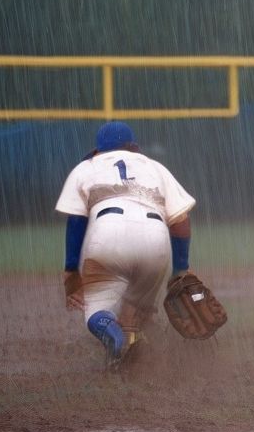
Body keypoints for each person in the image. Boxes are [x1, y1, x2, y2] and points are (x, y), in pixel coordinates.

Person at [55, 121, 197, 370]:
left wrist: (71, 269)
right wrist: (180, 270)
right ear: (134, 148)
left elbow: (77, 219)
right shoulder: (155, 168)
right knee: (139, 305)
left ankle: (114, 337)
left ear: (98, 150)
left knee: (97, 311)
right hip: (156, 238)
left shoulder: (86, 167)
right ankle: (135, 349)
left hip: (108, 234)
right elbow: (181, 223)